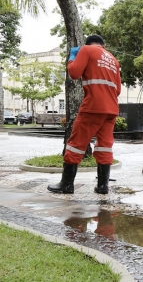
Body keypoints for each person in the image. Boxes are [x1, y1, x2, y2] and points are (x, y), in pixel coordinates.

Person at [48, 34, 121, 195]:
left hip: (93, 106)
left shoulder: (86, 50)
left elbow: (74, 73)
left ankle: (66, 184)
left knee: (75, 144)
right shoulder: (113, 60)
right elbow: (118, 90)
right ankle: (103, 186)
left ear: (87, 44)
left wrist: (73, 57)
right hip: (111, 109)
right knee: (105, 146)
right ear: (103, 45)